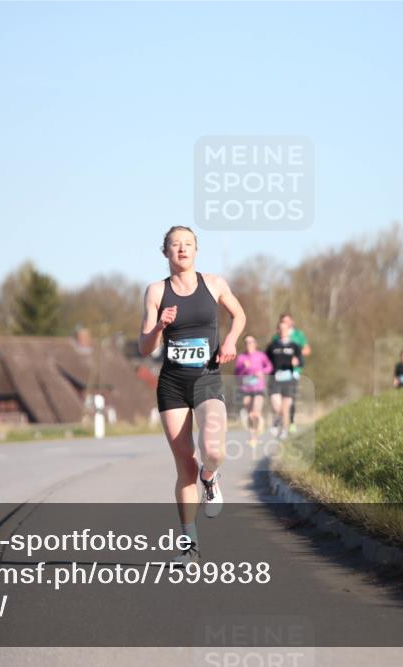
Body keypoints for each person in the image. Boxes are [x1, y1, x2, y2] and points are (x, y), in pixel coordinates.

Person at [139, 226, 246, 564]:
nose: (181, 249)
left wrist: (230, 341)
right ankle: (189, 545)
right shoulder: (156, 292)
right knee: (184, 465)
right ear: (165, 252)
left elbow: (239, 315)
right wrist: (159, 327)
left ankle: (210, 477)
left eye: (187, 244)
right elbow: (143, 347)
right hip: (172, 385)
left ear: (196, 250)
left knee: (213, 450)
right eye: (175, 245)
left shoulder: (213, 284)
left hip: (207, 380)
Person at [269, 313, 310, 433]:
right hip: (278, 373)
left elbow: (306, 350)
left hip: (293, 371)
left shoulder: (298, 335)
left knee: (289, 399)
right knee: (277, 400)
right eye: (283, 321)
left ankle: (290, 421)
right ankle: (280, 419)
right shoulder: (276, 338)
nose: (285, 323)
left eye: (287, 321)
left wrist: (294, 355)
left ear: (292, 322)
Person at [234, 336, 272, 447]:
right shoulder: (241, 357)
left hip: (259, 388)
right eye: (246, 342)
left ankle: (257, 429)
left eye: (251, 342)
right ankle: (252, 436)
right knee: (250, 414)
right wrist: (244, 369)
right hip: (246, 388)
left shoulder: (261, 355)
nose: (249, 344)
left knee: (255, 411)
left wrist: (262, 372)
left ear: (255, 343)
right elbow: (236, 374)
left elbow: (269, 367)